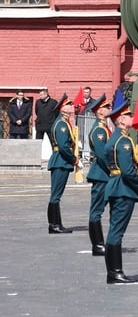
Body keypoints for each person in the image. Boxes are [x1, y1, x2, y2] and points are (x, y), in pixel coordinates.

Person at [104, 97, 138, 285]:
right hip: (123, 187)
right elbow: (128, 170)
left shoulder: (114, 139)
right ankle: (115, 272)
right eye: (128, 115)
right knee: (117, 231)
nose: (131, 117)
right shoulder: (124, 141)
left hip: (115, 184)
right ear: (120, 120)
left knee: (114, 229)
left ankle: (113, 272)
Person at [85, 95, 113, 256]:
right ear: (100, 111)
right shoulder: (99, 130)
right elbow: (103, 154)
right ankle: (97, 244)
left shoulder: (104, 128)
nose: (109, 109)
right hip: (101, 173)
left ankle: (102, 242)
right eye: (107, 107)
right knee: (96, 210)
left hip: (104, 173)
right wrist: (113, 169)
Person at [46, 94, 76, 234]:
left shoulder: (62, 122)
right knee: (56, 195)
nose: (72, 106)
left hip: (60, 160)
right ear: (63, 108)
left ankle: (56, 223)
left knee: (56, 194)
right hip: (61, 161)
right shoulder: (62, 125)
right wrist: (73, 159)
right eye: (69, 104)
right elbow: (64, 146)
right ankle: (54, 225)